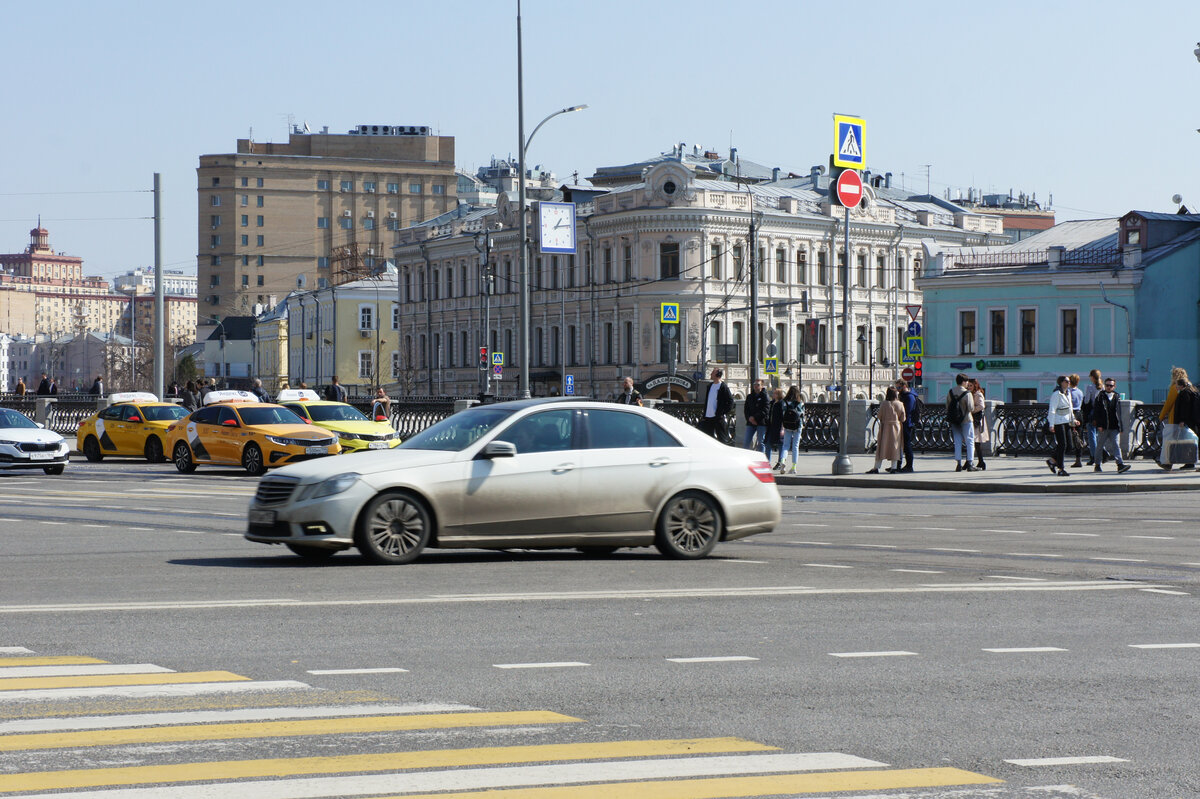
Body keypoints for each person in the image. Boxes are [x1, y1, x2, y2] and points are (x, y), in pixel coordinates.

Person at [1158, 367, 1196, 471]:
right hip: (1190, 419)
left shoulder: (1175, 387)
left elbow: (1169, 403)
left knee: (1172, 441)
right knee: (1187, 441)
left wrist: (1161, 416)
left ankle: (1169, 463)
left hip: (1177, 418)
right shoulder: (1190, 386)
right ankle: (1189, 462)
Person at [1092, 376, 1132, 474]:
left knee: (1116, 445)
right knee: (1100, 446)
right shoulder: (1100, 396)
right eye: (1107, 385)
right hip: (1103, 427)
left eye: (1111, 385)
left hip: (1114, 426)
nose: (1109, 387)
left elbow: (1119, 413)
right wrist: (1099, 425)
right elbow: (1097, 412)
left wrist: (1121, 426)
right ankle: (1097, 465)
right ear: (1104, 386)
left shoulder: (1116, 396)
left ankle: (1120, 464)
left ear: (1114, 386)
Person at [870, 386, 906, 474]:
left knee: (882, 447)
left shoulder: (884, 404)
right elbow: (903, 418)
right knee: (895, 447)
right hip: (896, 428)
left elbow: (879, 416)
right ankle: (894, 468)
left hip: (885, 427)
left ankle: (876, 467)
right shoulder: (900, 404)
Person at [1045, 375, 1076, 477]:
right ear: (1061, 382)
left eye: (1069, 381)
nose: (1068, 383)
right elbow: (1052, 410)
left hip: (1066, 421)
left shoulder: (1068, 393)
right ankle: (1061, 469)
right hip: (1058, 422)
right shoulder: (1056, 394)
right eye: (1066, 381)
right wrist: (1051, 424)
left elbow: (1070, 407)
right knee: (1062, 445)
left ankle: (1052, 460)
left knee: (1069, 446)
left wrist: (1073, 419)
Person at [947, 373, 976, 472]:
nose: (968, 383)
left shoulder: (951, 392)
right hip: (966, 420)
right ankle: (970, 463)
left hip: (954, 421)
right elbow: (971, 408)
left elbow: (947, 406)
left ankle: (958, 464)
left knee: (957, 441)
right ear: (963, 382)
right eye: (967, 381)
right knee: (970, 441)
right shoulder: (967, 393)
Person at [698, 368, 734, 442]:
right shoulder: (710, 386)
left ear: (718, 375)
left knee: (722, 438)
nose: (711, 374)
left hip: (718, 417)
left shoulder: (723, 387)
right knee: (708, 438)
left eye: (713, 373)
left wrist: (722, 413)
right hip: (708, 417)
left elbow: (730, 401)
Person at [778, 385, 804, 474]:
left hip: (787, 425)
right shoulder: (800, 401)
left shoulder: (785, 402)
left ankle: (782, 462)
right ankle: (794, 467)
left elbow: (783, 413)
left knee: (785, 445)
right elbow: (802, 414)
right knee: (795, 446)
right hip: (797, 425)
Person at [895, 379, 918, 473]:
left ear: (904, 386)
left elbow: (907, 411)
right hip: (902, 422)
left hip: (907, 423)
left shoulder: (909, 397)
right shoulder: (903, 395)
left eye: (899, 387)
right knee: (900, 445)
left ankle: (909, 466)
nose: (897, 389)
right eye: (896, 387)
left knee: (907, 445)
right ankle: (897, 465)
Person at [1081, 369, 1103, 465]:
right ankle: (1102, 454)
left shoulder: (1090, 387)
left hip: (1093, 413)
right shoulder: (1103, 387)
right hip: (1101, 413)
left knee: (1092, 436)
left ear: (1092, 377)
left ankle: (1094, 456)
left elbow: (1086, 401)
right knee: (1099, 435)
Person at [743, 379, 769, 452]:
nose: (755, 386)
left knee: (761, 442)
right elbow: (746, 409)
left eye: (758, 385)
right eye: (754, 384)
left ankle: (761, 459)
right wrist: (749, 418)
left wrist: (755, 418)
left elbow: (766, 410)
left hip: (761, 422)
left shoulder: (765, 396)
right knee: (746, 442)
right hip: (750, 422)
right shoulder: (750, 396)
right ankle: (745, 458)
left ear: (762, 386)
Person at [763, 387, 786, 469]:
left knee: (780, 444)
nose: (773, 394)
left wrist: (783, 428)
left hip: (778, 427)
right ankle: (767, 462)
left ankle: (780, 462)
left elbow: (783, 417)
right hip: (770, 426)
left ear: (779, 394)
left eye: (775, 393)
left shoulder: (781, 403)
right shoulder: (772, 403)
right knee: (767, 443)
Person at [1067, 374, 1085, 468]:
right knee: (1079, 437)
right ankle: (1079, 459)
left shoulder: (1068, 392)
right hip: (1079, 414)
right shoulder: (1080, 392)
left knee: (1068, 436)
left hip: (1071, 414)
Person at [970, 380, 989, 470]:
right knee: (974, 442)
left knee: (975, 442)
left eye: (971, 385)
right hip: (974, 419)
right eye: (968, 385)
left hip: (977, 420)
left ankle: (977, 461)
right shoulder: (972, 394)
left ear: (975, 385)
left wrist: (971, 410)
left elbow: (981, 406)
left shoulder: (978, 394)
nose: (969, 387)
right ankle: (980, 462)